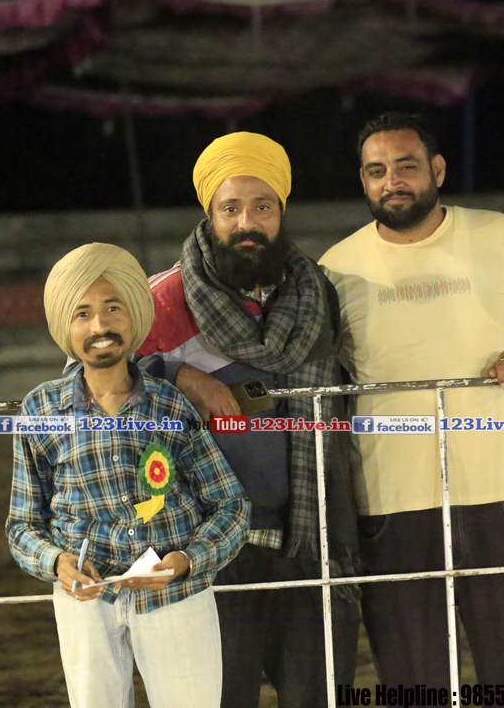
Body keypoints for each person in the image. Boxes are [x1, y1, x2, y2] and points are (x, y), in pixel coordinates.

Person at [319, 112, 504, 689]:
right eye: (377, 171)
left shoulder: (500, 235)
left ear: (437, 169)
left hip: (499, 495)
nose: (392, 181)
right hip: (389, 507)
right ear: (363, 181)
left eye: (406, 166)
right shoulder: (335, 269)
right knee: (416, 685)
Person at [135, 132, 360, 708]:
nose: (247, 223)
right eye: (230, 208)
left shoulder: (316, 295)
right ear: (209, 215)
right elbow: (88, 382)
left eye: (263, 207)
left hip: (309, 535)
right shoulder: (162, 299)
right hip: (208, 545)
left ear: (282, 211)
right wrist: (179, 374)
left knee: (318, 694)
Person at [5, 243, 250, 708]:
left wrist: (186, 561)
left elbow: (231, 507)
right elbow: (21, 526)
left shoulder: (170, 405)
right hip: (85, 603)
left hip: (176, 595)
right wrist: (57, 563)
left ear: (133, 317)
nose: (99, 326)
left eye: (112, 308)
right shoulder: (41, 410)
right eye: (82, 313)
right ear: (65, 327)